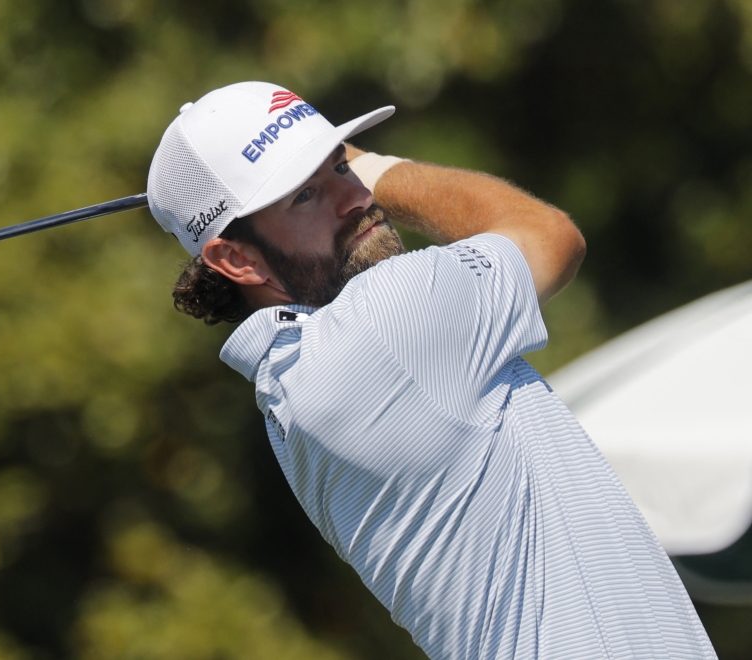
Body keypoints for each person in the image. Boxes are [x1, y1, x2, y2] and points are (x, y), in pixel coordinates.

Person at [146, 81, 717, 659]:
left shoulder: (290, 383)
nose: (356, 198)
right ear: (236, 258)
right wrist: (375, 165)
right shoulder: (383, 326)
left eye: (341, 167)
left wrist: (324, 176)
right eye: (306, 195)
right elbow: (550, 234)